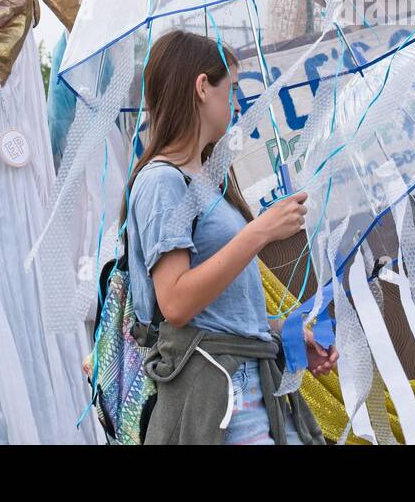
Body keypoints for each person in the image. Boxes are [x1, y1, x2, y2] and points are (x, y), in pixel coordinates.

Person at [125, 30, 334, 445]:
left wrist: (283, 335)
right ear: (203, 87)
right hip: (221, 397)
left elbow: (222, 314)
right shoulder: (162, 182)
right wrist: (258, 233)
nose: (237, 105)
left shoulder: (207, 181)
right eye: (231, 89)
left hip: (255, 387)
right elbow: (176, 302)